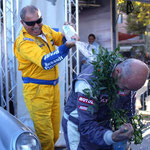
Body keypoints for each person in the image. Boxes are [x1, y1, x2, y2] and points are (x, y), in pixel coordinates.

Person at [14, 5, 79, 150]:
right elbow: (46, 62)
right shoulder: (23, 43)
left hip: (53, 88)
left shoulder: (46, 29)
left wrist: (70, 32)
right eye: (31, 23)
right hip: (37, 92)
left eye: (39, 20)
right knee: (46, 137)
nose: (36, 26)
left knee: (55, 134)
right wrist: (67, 46)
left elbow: (61, 39)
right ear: (22, 23)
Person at [62, 58, 149, 150]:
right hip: (78, 126)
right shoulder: (88, 84)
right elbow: (86, 125)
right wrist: (111, 137)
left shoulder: (127, 80)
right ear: (117, 71)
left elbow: (127, 112)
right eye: (124, 88)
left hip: (102, 122)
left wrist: (125, 126)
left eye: (131, 90)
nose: (126, 93)